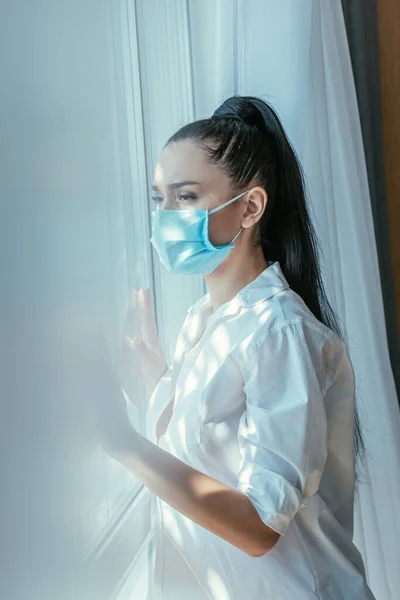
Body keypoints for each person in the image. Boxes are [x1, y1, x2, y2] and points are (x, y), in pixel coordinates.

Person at [92, 96, 376, 599]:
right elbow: (210, 441)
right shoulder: (206, 323)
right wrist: (152, 375)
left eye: (185, 197)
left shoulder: (280, 332)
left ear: (250, 207)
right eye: (159, 199)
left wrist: (121, 442)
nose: (166, 217)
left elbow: (259, 527)